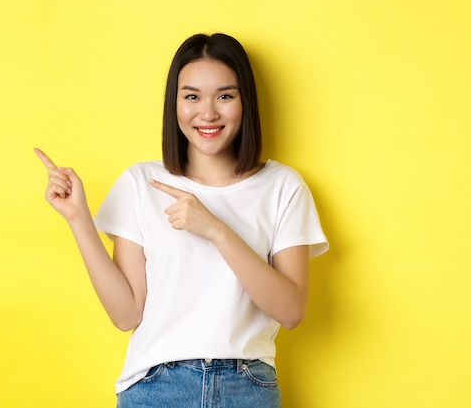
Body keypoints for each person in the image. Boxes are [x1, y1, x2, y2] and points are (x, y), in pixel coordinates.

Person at [35, 33, 328, 408]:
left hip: (247, 388)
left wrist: (217, 231)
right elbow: (126, 315)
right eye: (191, 96)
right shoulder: (141, 182)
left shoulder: (282, 186)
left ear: (245, 102)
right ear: (174, 104)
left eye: (225, 95)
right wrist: (78, 218)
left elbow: (291, 311)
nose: (208, 113)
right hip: (157, 388)